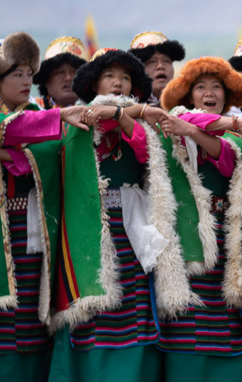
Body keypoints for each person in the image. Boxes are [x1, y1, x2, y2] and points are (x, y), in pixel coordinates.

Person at [48, 47, 189, 382]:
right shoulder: (74, 121)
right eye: (110, 76)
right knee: (92, 310)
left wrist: (123, 116)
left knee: (133, 306)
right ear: (96, 82)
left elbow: (143, 150)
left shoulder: (143, 123)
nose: (118, 83)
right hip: (88, 232)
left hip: (131, 233)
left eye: (125, 78)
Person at [157, 56, 242, 381]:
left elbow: (226, 160)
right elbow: (180, 121)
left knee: (226, 335)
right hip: (187, 249)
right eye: (201, 87)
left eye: (216, 87)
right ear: (189, 96)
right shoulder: (172, 129)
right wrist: (186, 128)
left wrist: (193, 131)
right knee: (186, 341)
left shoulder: (240, 136)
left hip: (229, 248)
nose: (209, 93)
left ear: (227, 97)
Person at [0, 32, 87, 382]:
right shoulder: (48, 119)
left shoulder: (41, 115)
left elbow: (51, 153)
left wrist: (12, 152)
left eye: (27, 74)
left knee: (34, 316)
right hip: (7, 232)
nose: (25, 81)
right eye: (15, 75)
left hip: (35, 236)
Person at [129, 31, 186, 105]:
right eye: (152, 62)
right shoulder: (125, 107)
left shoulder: (188, 103)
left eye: (166, 61)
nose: (160, 66)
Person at [32, 36, 87, 109]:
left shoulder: (98, 112)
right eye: (60, 72)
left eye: (74, 72)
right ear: (46, 80)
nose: (68, 78)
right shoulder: (31, 110)